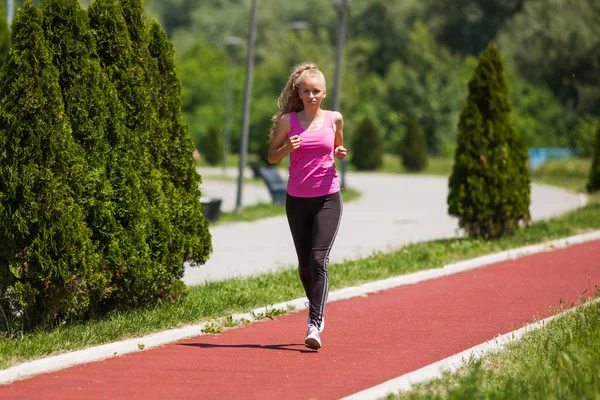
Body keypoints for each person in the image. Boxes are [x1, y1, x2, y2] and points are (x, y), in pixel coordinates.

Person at [267, 62, 347, 350]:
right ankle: (316, 303)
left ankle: (315, 322)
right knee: (304, 265)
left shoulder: (334, 119)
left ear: (324, 93)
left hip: (328, 196)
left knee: (318, 260)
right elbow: (272, 157)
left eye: (316, 91)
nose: (311, 96)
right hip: (297, 199)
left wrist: (339, 152)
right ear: (298, 92)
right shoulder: (288, 122)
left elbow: (338, 147)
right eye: (306, 91)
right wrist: (288, 147)